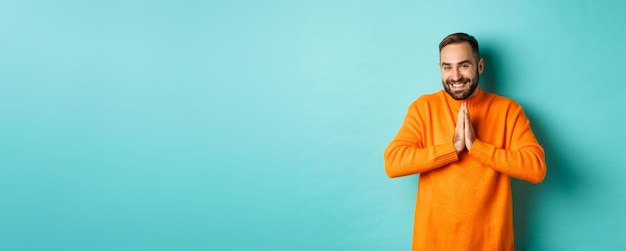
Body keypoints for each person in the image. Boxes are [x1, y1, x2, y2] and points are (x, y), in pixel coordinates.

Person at [384, 32, 546, 251]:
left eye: (464, 66)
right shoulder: (424, 109)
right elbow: (393, 163)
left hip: (491, 244)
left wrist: (477, 147)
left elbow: (536, 168)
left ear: (479, 66)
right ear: (440, 68)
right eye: (447, 67)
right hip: (433, 244)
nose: (456, 76)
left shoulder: (508, 111)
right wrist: (451, 149)